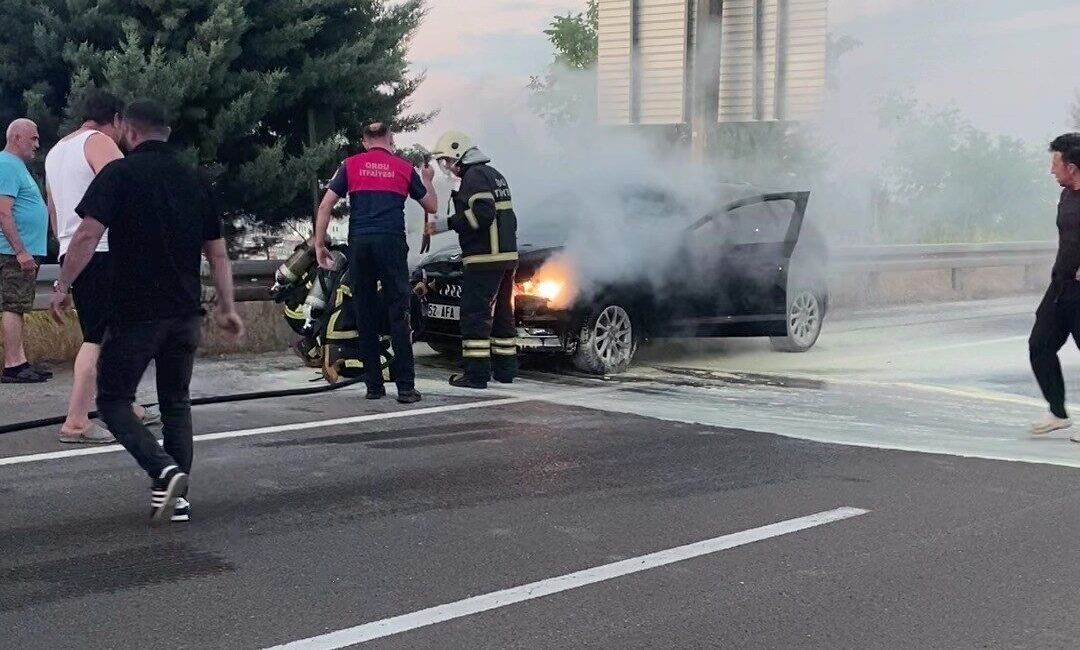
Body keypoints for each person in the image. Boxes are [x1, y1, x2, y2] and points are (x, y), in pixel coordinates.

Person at [50, 100, 244, 525]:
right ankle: (176, 498)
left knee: (115, 401)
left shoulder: (120, 174)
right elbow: (218, 254)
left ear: (128, 131)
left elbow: (85, 235)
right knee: (176, 403)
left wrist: (63, 284)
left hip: (136, 312)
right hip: (184, 313)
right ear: (167, 132)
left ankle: (163, 470)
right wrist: (227, 307)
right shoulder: (195, 180)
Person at [45, 90, 159, 443]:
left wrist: (67, 261)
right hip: (106, 248)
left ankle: (124, 403)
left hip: (73, 250)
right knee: (99, 337)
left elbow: (54, 212)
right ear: (117, 119)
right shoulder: (98, 141)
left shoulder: (55, 152)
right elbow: (126, 190)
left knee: (114, 333)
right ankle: (77, 420)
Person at [314, 122, 437, 403]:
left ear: (365, 141)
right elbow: (431, 206)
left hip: (360, 244)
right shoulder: (404, 168)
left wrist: (319, 245)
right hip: (391, 243)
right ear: (390, 140)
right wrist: (427, 179)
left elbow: (325, 206)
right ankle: (405, 388)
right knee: (399, 312)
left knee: (365, 311)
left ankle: (373, 387)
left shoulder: (350, 165)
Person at [426, 130, 519, 389]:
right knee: (502, 315)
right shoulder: (494, 174)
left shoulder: (475, 176)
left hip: (484, 258)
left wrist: (446, 224)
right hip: (506, 258)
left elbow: (482, 213)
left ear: (459, 153)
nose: (446, 166)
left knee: (474, 316)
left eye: (446, 160)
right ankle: (505, 370)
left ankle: (476, 374)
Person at [1029, 133, 1080, 437]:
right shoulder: (1066, 195)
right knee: (1040, 345)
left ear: (1071, 166)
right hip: (1061, 286)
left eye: (1055, 162)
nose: (1051, 170)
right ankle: (1058, 412)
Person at [0, 118, 50, 384]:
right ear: (16, 137)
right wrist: (20, 251)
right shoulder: (6, 164)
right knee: (13, 305)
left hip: (20, 251)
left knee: (18, 306)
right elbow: (3, 211)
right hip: (12, 252)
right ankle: (13, 365)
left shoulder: (16, 166)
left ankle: (20, 361)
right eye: (34, 138)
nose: (37, 144)